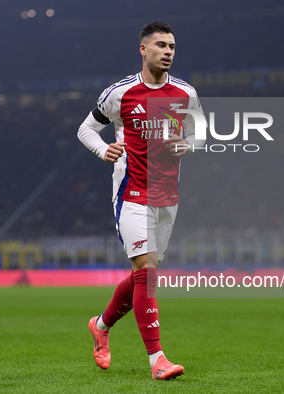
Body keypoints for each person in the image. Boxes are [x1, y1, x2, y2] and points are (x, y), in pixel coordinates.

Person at [77, 21, 204, 380]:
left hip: (169, 197)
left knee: (143, 277)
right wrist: (104, 149)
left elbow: (200, 134)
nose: (168, 52)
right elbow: (85, 129)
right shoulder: (119, 93)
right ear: (143, 49)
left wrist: (188, 143)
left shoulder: (185, 93)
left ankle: (100, 326)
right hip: (132, 193)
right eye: (161, 45)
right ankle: (157, 360)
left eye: (173, 47)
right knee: (146, 273)